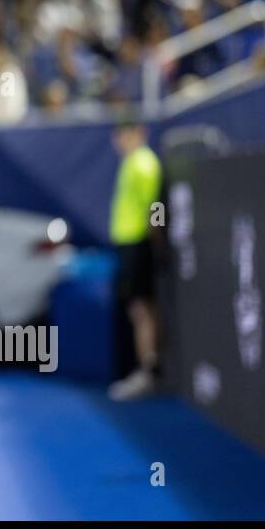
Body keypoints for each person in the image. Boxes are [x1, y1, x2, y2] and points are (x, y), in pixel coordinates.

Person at [107, 117, 164, 400]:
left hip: (139, 246)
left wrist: (155, 244)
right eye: (118, 135)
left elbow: (155, 208)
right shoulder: (131, 163)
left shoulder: (144, 164)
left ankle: (147, 371)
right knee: (137, 310)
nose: (120, 141)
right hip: (128, 244)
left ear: (140, 133)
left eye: (125, 134)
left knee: (141, 311)